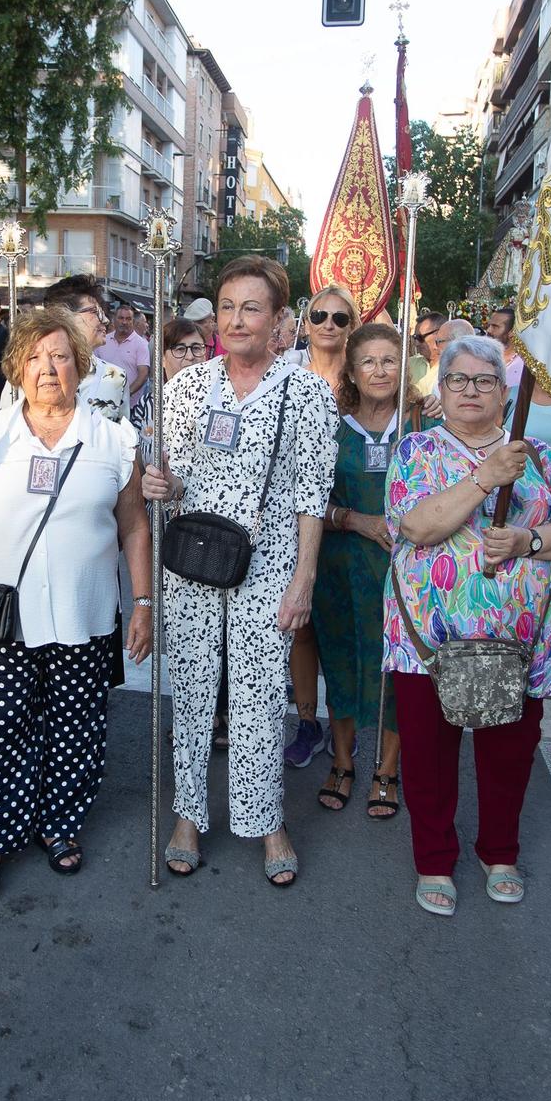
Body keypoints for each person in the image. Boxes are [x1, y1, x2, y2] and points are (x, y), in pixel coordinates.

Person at [0, 307, 153, 898]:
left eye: (60, 355)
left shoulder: (113, 438)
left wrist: (142, 601)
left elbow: (134, 526)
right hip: (10, 615)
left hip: (86, 614)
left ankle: (60, 825)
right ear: (15, 368)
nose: (47, 368)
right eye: (33, 357)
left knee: (77, 725)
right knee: (3, 725)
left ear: (80, 366)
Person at [144, 256, 337, 886]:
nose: (235, 320)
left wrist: (303, 579)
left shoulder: (304, 391)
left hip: (271, 563)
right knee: (196, 689)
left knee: (259, 694)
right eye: (227, 307)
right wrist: (163, 484)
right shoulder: (188, 389)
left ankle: (265, 818)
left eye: (250, 308)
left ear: (281, 320)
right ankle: (188, 815)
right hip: (194, 560)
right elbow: (169, 478)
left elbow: (312, 492)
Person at [387, 335, 551, 912]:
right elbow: (418, 526)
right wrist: (484, 478)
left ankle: (499, 850)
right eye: (459, 380)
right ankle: (434, 859)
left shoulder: (541, 457)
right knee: (429, 754)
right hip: (427, 640)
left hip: (517, 640)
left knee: (509, 752)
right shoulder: (416, 451)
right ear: (442, 389)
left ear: (505, 393)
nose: (472, 391)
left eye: (485, 381)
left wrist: (531, 539)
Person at [313, 322, 403, 816]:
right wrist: (355, 520)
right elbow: (303, 502)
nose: (379, 371)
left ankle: (386, 769)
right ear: (351, 369)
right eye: (368, 361)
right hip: (340, 569)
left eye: (389, 360)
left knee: (397, 667)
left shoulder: (421, 431)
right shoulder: (330, 426)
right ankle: (343, 762)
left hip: (402, 573)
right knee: (342, 663)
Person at [285, 285, 359, 770]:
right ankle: (308, 722)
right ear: (305, 321)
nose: (329, 324)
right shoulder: (285, 376)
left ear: (352, 324)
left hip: (354, 518)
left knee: (347, 628)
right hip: (295, 521)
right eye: (320, 315)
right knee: (302, 629)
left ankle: (343, 726)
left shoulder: (368, 378)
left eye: (339, 317)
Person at [37, 276, 130, 423]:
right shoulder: (32, 372)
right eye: (94, 312)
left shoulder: (116, 377)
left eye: (103, 313)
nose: (105, 320)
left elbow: (123, 438)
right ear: (63, 315)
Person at [95, 299, 151, 420]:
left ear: (133, 322)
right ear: (114, 320)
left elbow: (143, 375)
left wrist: (124, 395)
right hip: (101, 404)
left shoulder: (141, 344)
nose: (124, 322)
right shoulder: (103, 340)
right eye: (121, 318)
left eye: (128, 319)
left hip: (131, 407)